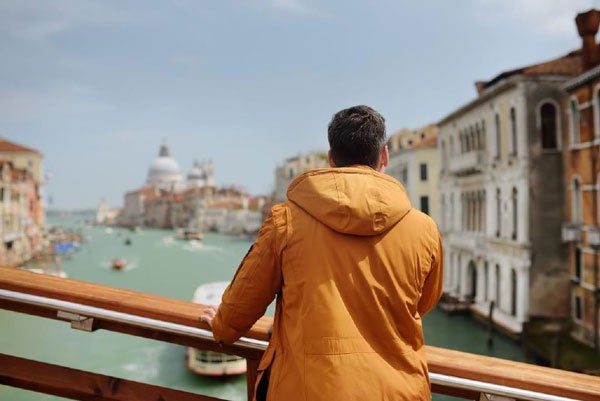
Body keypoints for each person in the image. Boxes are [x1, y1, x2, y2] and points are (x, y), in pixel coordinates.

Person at [201, 105, 444, 401]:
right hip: (397, 392)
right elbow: (424, 301)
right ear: (384, 156)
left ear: (331, 160)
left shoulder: (286, 220)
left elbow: (244, 301)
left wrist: (222, 326)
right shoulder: (424, 229)